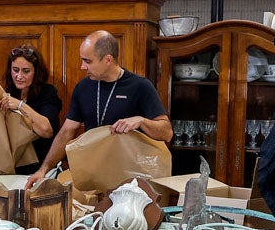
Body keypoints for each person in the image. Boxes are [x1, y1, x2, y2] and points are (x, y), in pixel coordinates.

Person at [24, 30, 172, 190]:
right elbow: (66, 132)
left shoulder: (141, 87)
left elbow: (167, 133)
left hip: (129, 181)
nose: (82, 66)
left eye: (87, 61)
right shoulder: (83, 87)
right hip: (91, 177)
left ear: (108, 59)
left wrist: (141, 121)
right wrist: (43, 170)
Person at [0, 44, 63, 175]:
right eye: (15, 70)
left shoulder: (47, 92)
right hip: (14, 169)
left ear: (36, 72)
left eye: (26, 71)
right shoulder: (9, 92)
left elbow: (47, 130)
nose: (19, 76)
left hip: (41, 169)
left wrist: (21, 106)